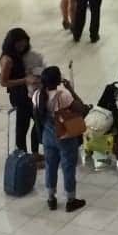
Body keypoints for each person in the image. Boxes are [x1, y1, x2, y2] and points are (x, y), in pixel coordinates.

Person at [32, 66, 86, 212]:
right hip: (65, 136)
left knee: (50, 166)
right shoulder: (63, 95)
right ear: (58, 80)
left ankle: (51, 198)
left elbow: (37, 117)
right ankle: (70, 200)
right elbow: (81, 108)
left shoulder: (37, 95)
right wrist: (71, 89)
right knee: (68, 168)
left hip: (47, 136)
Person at [0, 28, 42, 164]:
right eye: (20, 44)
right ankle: (24, 158)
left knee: (38, 121)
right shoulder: (7, 60)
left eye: (24, 43)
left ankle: (34, 154)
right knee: (23, 126)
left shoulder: (20, 54)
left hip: (28, 92)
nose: (22, 46)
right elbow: (3, 82)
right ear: (13, 43)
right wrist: (25, 80)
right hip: (19, 96)